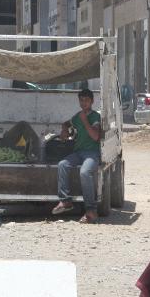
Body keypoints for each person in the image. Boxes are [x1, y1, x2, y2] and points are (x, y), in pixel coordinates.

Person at [52, 88, 102, 223]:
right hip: (78, 152)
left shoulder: (95, 117)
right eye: (81, 100)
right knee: (62, 164)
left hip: (92, 153)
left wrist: (85, 120)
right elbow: (67, 123)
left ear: (92, 101)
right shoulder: (77, 116)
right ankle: (65, 201)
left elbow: (95, 136)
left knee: (85, 172)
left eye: (86, 100)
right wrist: (64, 130)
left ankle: (91, 210)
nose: (84, 103)